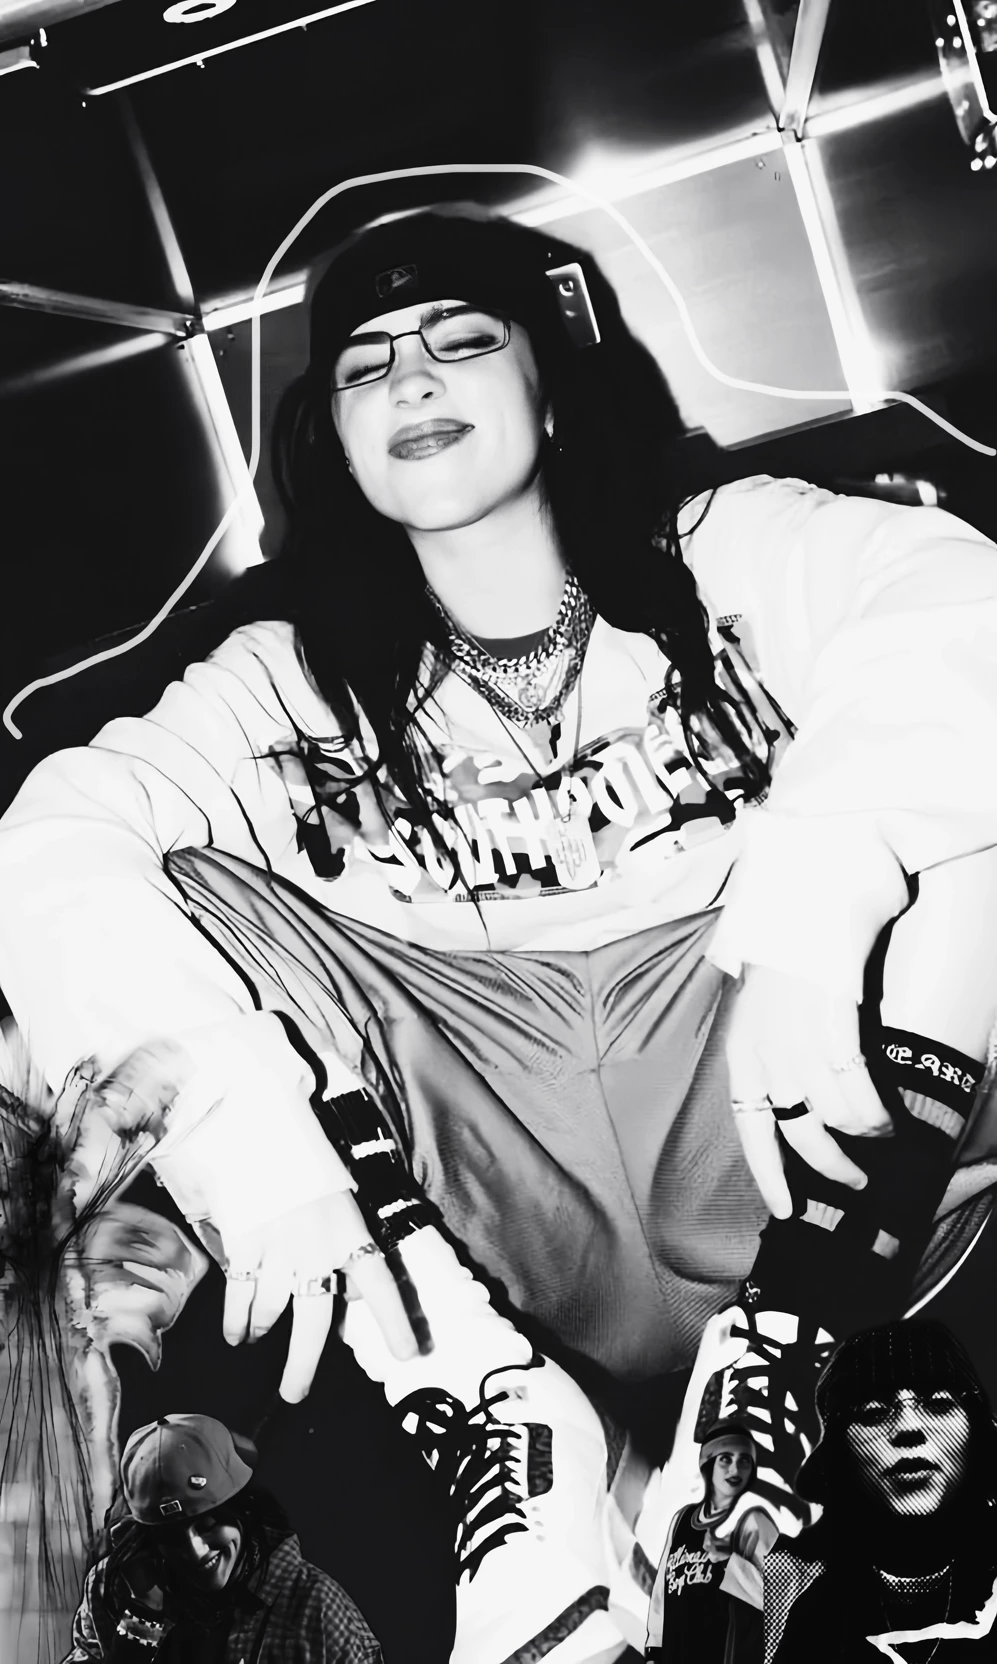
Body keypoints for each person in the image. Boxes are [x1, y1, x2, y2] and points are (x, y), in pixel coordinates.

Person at [3, 201, 997, 1659]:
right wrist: (249, 1155)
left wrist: (817, 899)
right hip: (478, 1178)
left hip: (770, 1106)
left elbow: (966, 600)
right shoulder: (284, 676)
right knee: (173, 869)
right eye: (364, 365)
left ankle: (779, 1368)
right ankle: (492, 1412)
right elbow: (50, 840)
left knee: (967, 802)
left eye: (459, 340)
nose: (409, 375)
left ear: (549, 384)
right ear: (337, 445)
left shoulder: (725, 549)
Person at [762, 1319, 997, 1661]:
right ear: (841, 1454)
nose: (908, 1427)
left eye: (937, 1404)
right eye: (873, 1413)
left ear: (975, 1433)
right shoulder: (808, 1608)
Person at [63, 1412, 383, 1662]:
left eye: (208, 1525)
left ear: (243, 1512)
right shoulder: (111, 1589)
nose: (195, 1551)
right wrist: (142, 1618)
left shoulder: (314, 1609)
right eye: (170, 1537)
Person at [645, 1420, 777, 1663]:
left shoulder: (753, 1523)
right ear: (707, 1463)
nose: (735, 1469)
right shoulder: (682, 1520)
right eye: (725, 1459)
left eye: (744, 1460)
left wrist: (730, 1561)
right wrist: (654, 1649)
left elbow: (780, 1599)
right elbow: (662, 1592)